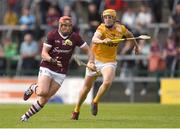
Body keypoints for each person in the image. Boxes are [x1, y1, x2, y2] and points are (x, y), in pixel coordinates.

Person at [20, 16, 95, 122]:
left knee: (45, 98)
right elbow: (43, 53)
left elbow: (89, 51)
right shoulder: (52, 35)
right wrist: (52, 60)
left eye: (68, 26)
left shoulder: (75, 37)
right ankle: (33, 87)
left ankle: (25, 116)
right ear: (60, 25)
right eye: (64, 25)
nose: (66, 28)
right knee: (42, 92)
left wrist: (91, 62)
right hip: (48, 66)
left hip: (61, 71)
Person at [71, 9, 140, 120]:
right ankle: (76, 109)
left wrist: (136, 46)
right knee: (86, 88)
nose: (107, 19)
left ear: (114, 18)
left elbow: (130, 35)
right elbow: (94, 39)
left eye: (109, 17)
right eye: (105, 17)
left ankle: (95, 101)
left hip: (109, 61)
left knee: (107, 81)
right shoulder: (101, 28)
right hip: (95, 59)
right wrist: (103, 41)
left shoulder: (120, 28)